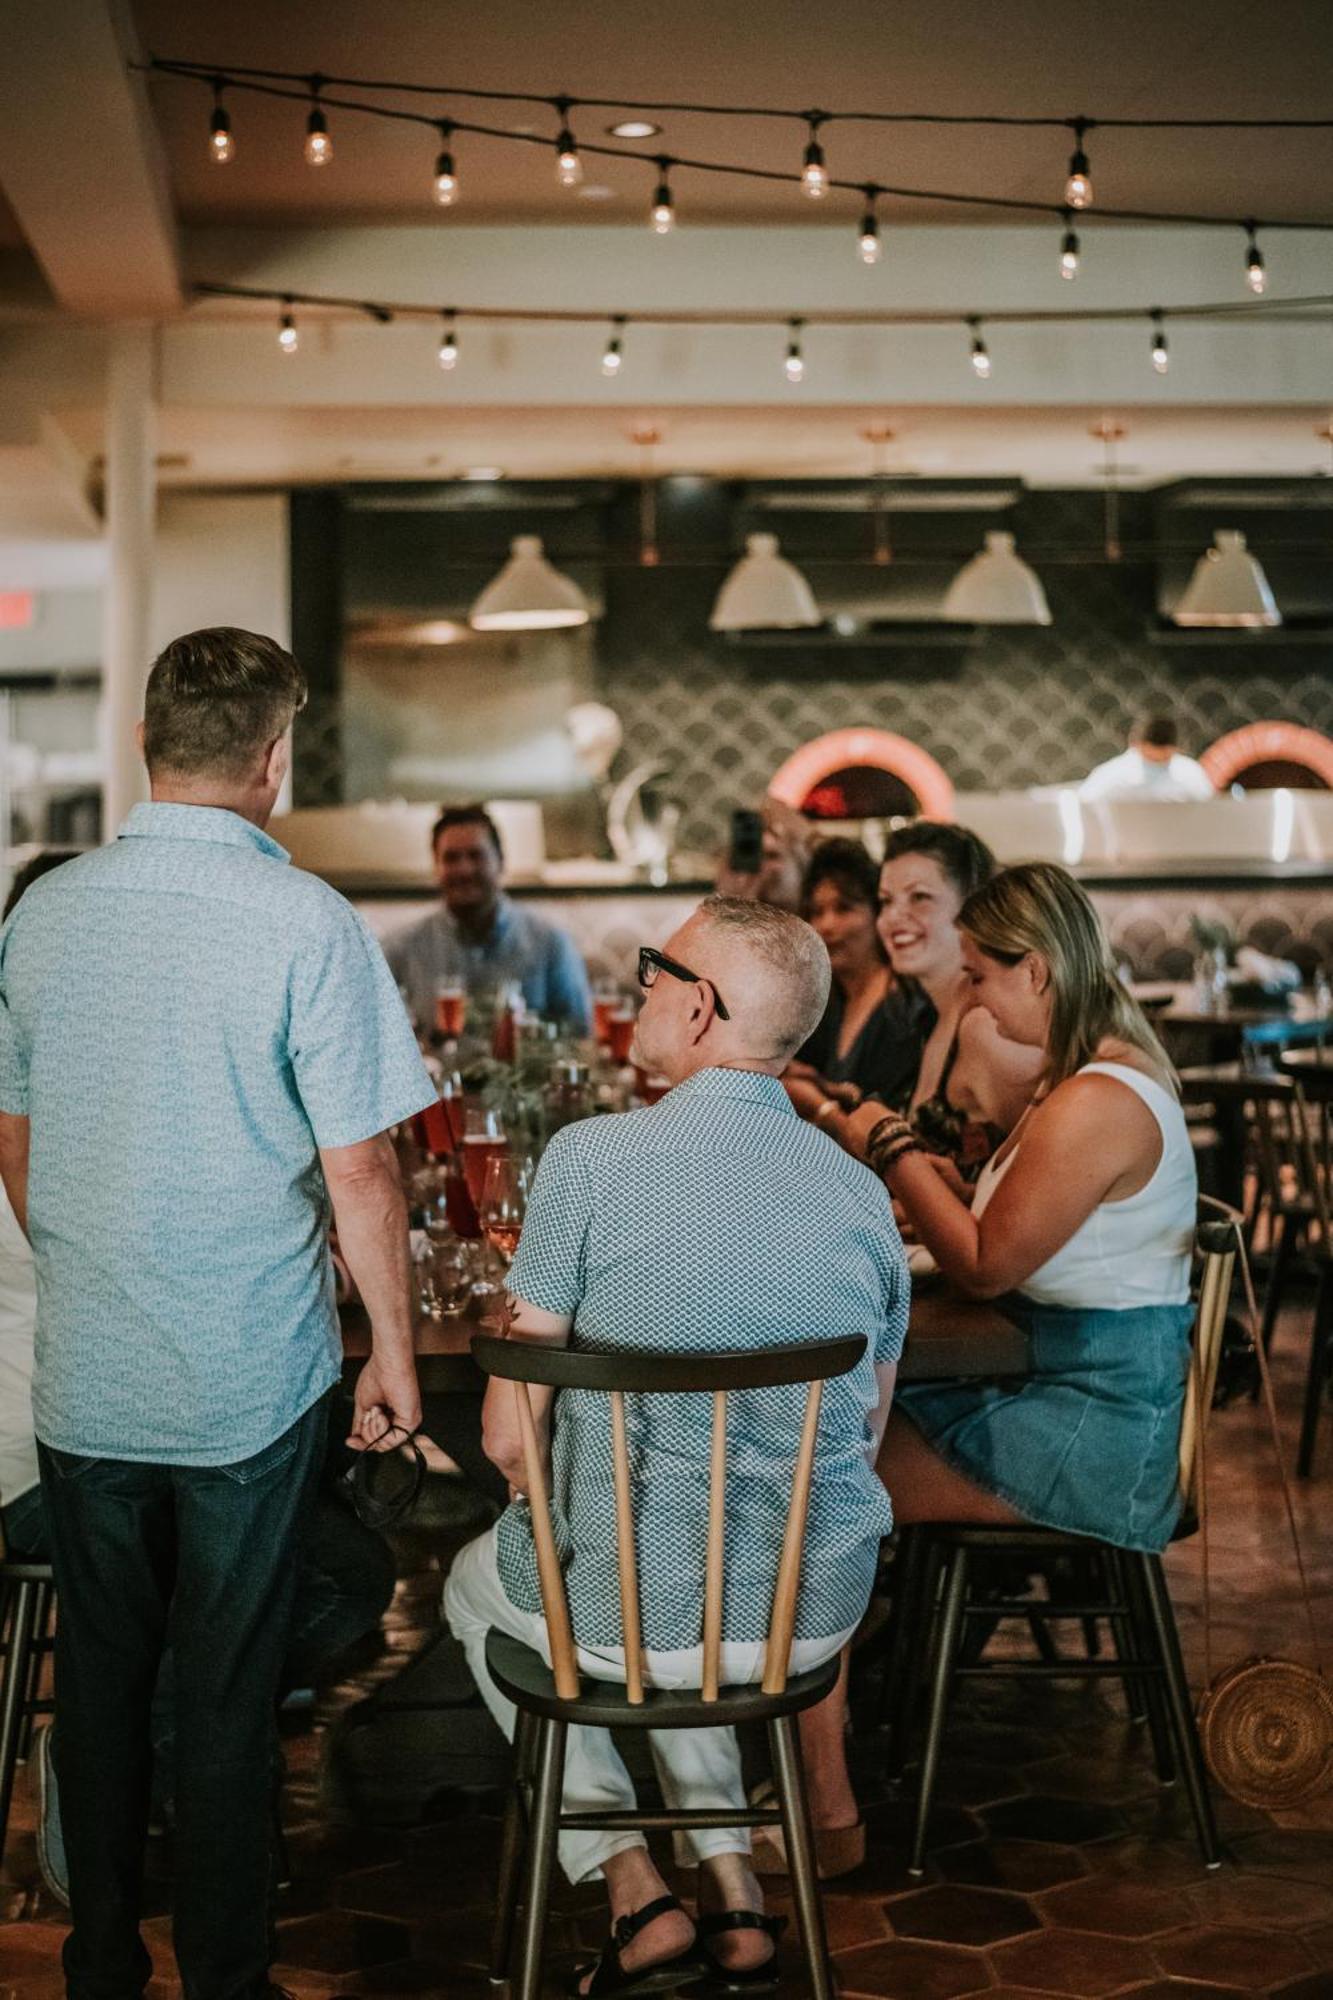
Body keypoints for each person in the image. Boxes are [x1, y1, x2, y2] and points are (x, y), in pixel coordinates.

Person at [0, 628, 435, 2000]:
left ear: (145, 744)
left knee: (105, 1681)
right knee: (230, 1691)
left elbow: (14, 1134)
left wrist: (91, 1252)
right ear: (274, 757)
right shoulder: (304, 918)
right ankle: (229, 1978)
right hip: (249, 1373)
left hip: (90, 1376)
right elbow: (363, 1167)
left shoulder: (46, 911)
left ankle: (99, 1960)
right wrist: (397, 1356)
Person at [443, 896, 907, 1996]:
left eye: (656, 970)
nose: (639, 986)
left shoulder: (590, 1160)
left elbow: (511, 1440)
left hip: (631, 1617)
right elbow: (866, 1427)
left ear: (700, 1008)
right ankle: (734, 1881)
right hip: (808, 1614)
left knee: (498, 1583)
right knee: (680, 1565)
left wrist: (530, 1481)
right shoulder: (862, 1192)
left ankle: (630, 1883)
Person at [799, 861, 1198, 1828]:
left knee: (817, 1493)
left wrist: (888, 1142)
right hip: (1059, 1378)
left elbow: (981, 1264)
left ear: (1039, 973)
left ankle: (824, 1809)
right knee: (824, 1456)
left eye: (978, 973)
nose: (967, 995)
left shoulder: (1099, 1100)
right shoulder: (1079, 1082)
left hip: (1099, 1420)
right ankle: (812, 1760)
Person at [792, 825, 1042, 1187]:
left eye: (919, 897)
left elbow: (1046, 1174)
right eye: (887, 901)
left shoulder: (984, 1027)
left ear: (974, 904)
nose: (893, 918)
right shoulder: (937, 1016)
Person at [386, 805, 593, 1034]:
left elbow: (580, 1036)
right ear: (436, 867)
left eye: (476, 855)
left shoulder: (551, 944)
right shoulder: (400, 949)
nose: (464, 870)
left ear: (501, 861)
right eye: (451, 858)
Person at [790, 838, 928, 1109]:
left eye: (844, 908)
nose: (827, 925)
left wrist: (820, 1101)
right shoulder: (825, 1004)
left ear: (877, 914)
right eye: (817, 912)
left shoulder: (905, 1005)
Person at [1078, 713, 1216, 803]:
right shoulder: (1112, 774)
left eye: (1164, 757)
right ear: (1136, 744)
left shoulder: (1190, 773)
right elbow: (1086, 803)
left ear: (1175, 749)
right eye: (1150, 756)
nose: (1156, 762)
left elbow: (1208, 806)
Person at [714, 796, 814, 913]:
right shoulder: (738, 876)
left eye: (773, 856)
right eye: (759, 856)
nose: (768, 866)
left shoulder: (798, 861)